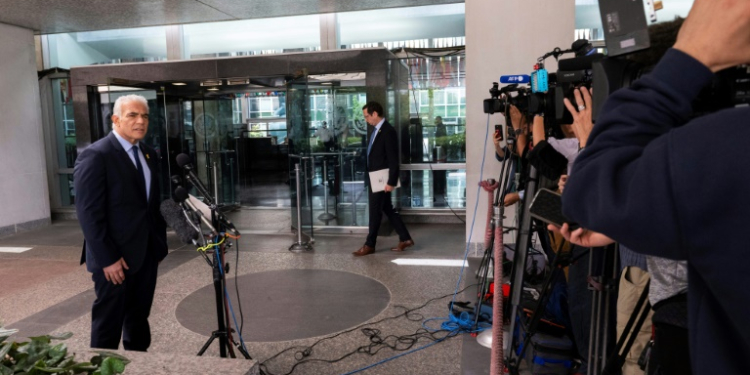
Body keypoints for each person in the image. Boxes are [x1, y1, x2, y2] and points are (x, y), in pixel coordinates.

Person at [562, 1, 750, 373]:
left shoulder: (722, 149)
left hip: (678, 315)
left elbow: (588, 190)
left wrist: (687, 59)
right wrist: (618, 222)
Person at [74, 94, 168, 350]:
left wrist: (158, 245)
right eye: (132, 115)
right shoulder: (96, 155)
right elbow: (88, 213)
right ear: (115, 119)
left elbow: (150, 205)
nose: (140, 121)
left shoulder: (148, 153)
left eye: (145, 116)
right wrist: (107, 259)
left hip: (146, 254)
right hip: (114, 260)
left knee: (139, 320)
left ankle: (139, 364)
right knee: (108, 323)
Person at [353, 101, 414, 256]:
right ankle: (405, 238)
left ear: (375, 114)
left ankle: (369, 244)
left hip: (382, 180)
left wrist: (391, 182)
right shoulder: (376, 131)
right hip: (375, 177)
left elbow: (393, 159)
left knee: (375, 211)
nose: (366, 119)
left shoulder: (388, 131)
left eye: (367, 116)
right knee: (387, 208)